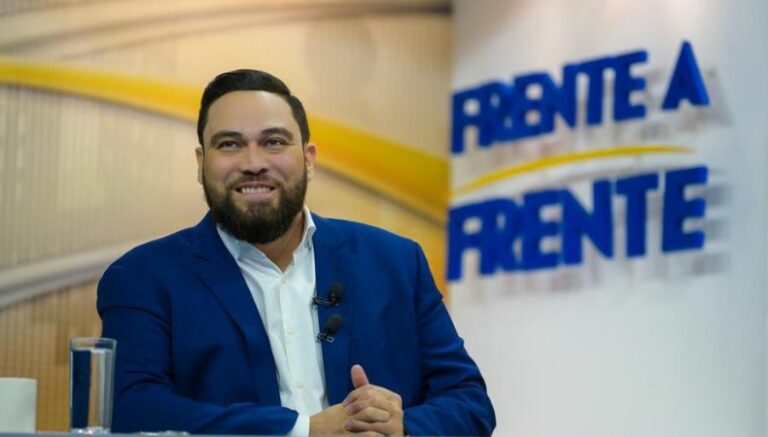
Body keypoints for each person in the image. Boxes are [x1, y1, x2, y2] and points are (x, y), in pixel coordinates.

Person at [97, 69, 495, 436]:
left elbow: (470, 401)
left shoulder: (396, 262)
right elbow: (133, 408)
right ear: (201, 163)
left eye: (274, 142)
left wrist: (403, 426)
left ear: (308, 159)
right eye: (230, 144)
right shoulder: (142, 277)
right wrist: (303, 430)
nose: (254, 163)